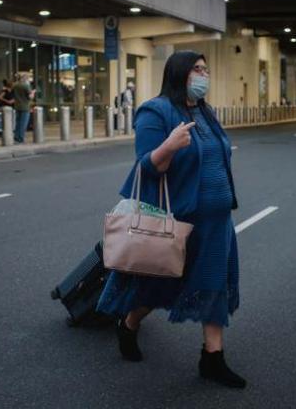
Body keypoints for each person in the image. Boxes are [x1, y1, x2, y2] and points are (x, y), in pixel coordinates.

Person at [97, 50, 246, 389]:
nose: (203, 75)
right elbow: (146, 166)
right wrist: (170, 145)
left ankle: (213, 359)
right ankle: (130, 323)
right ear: (179, 72)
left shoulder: (206, 113)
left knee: (213, 285)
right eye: (197, 69)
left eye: (205, 69)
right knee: (159, 285)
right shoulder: (156, 110)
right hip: (179, 219)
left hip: (216, 220)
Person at [12, 73, 35, 143]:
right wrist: (33, 92)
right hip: (25, 107)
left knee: (18, 123)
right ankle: (21, 138)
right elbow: (30, 97)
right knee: (23, 123)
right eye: (27, 78)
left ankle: (16, 137)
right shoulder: (26, 86)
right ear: (25, 78)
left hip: (17, 106)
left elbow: (12, 94)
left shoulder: (15, 85)